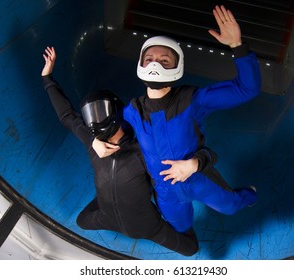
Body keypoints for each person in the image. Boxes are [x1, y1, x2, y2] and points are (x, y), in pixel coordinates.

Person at [94, 5, 261, 233]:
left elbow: (247, 89)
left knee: (230, 206)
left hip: (198, 178)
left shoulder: (193, 100)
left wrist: (237, 46)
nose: (155, 64)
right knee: (181, 226)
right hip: (165, 191)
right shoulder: (132, 111)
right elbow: (108, 130)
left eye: (164, 60)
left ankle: (249, 194)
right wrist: (95, 139)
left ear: (177, 66)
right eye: (149, 59)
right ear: (141, 64)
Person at [40, 46, 218, 256]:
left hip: (145, 227)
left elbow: (175, 176)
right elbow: (67, 116)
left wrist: (194, 164)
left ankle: (111, 197)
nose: (95, 120)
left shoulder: (144, 150)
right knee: (81, 221)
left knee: (191, 248)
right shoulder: (93, 143)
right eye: (90, 115)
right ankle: (106, 196)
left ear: (117, 114)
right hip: (108, 217)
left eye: (100, 112)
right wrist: (47, 77)